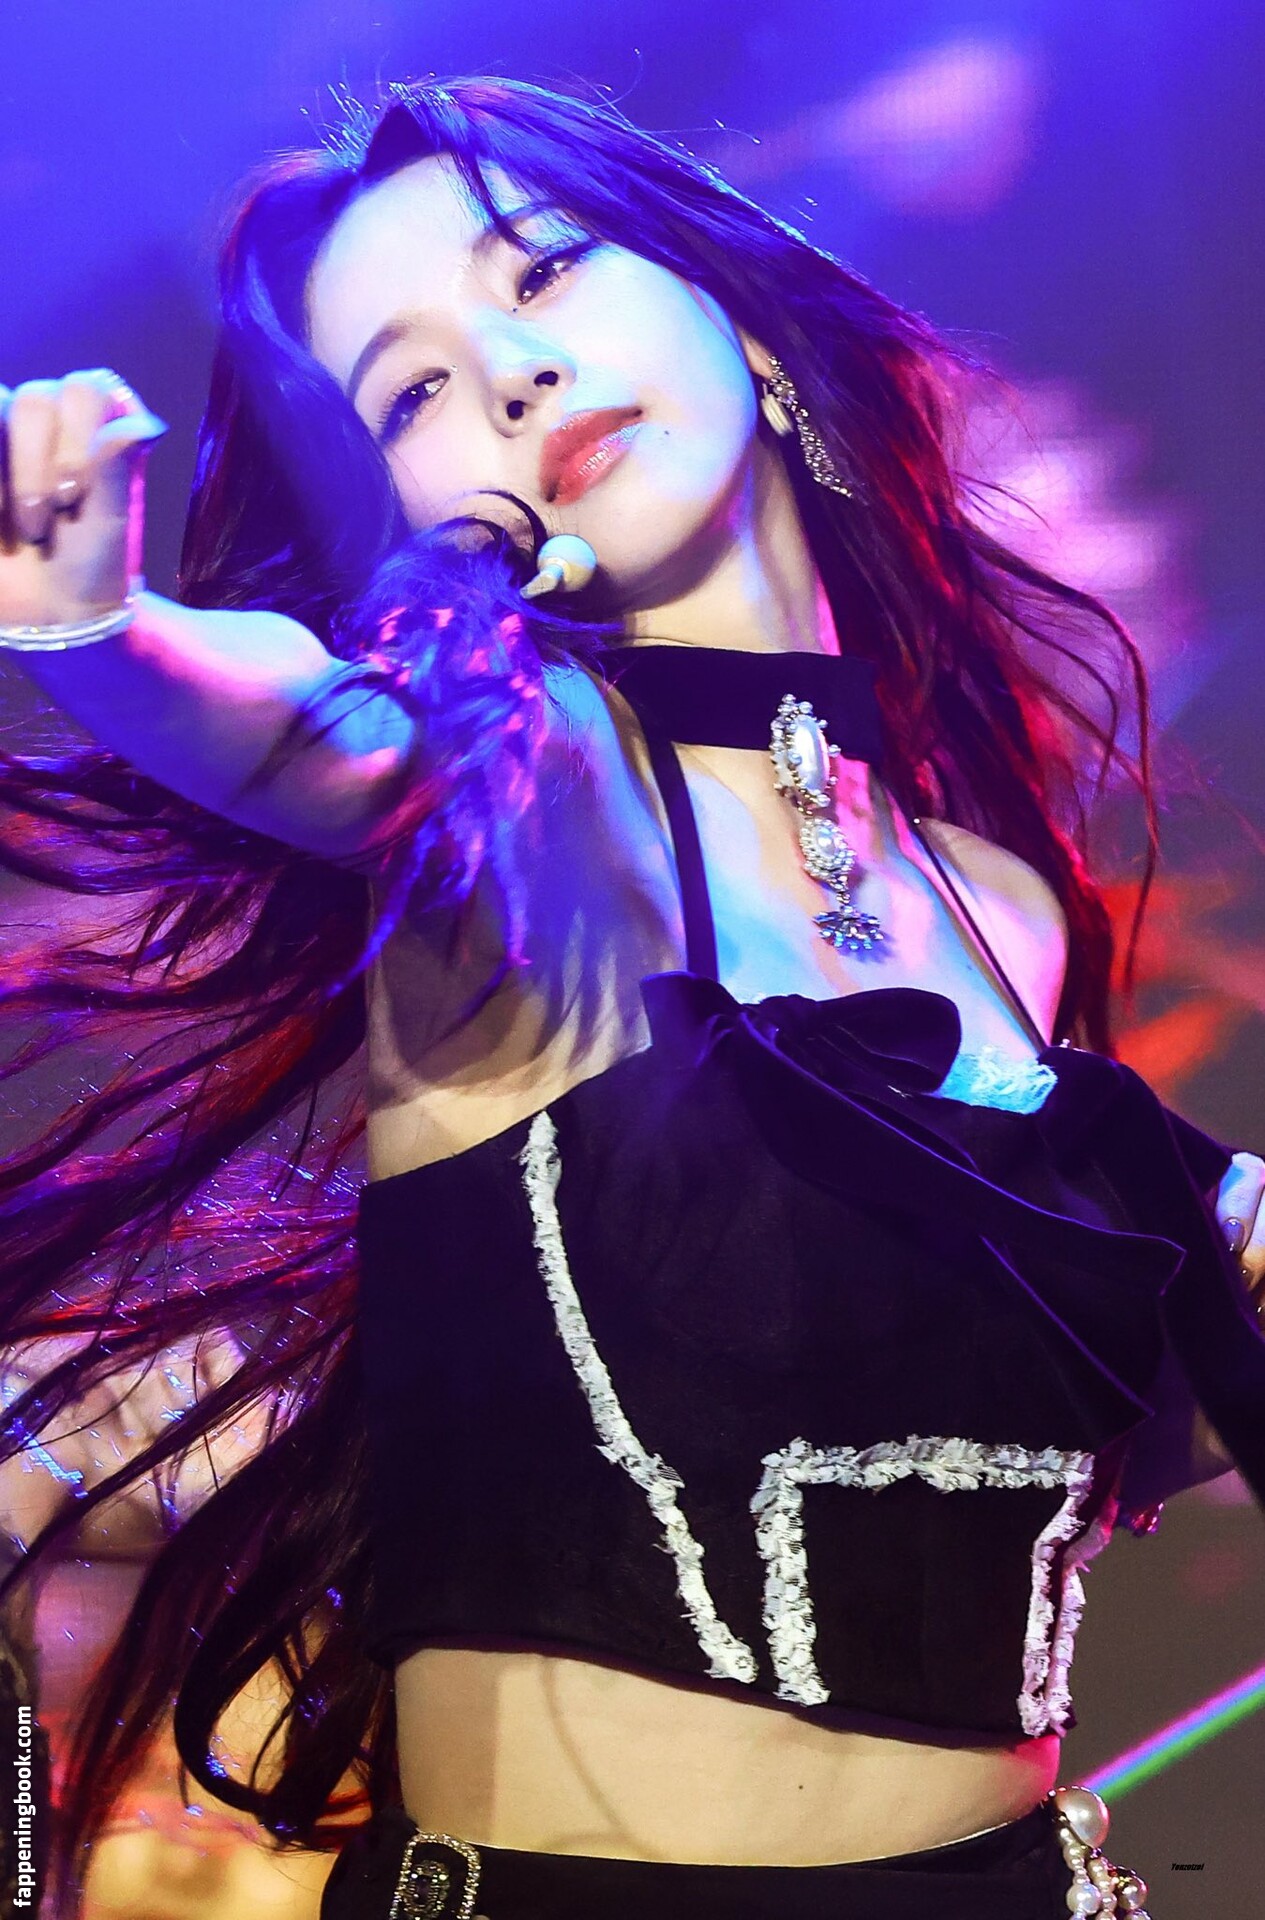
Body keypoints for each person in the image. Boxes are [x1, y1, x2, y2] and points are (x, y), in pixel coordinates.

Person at [0, 75, 1263, 1920]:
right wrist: (100, 634)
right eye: (411, 392)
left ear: (735, 319)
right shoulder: (527, 803)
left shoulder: (995, 911)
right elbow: (330, 736)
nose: (508, 376)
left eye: (542, 275)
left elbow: (1036, 1439)